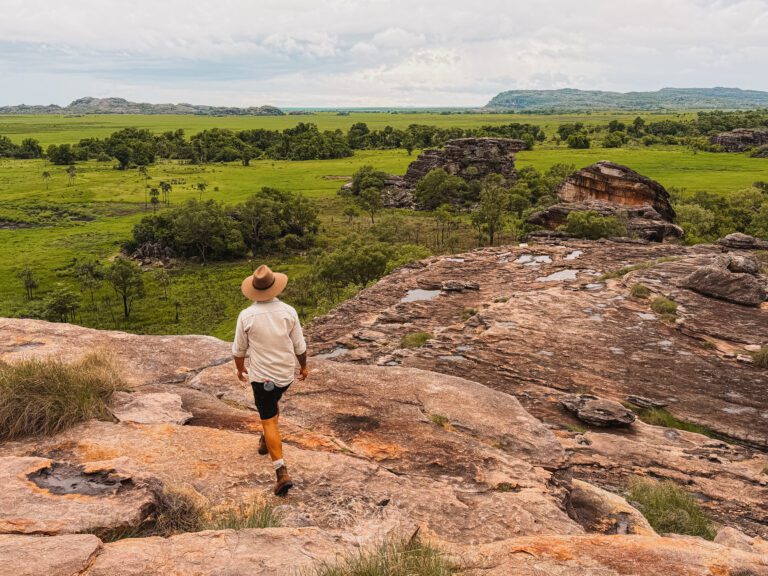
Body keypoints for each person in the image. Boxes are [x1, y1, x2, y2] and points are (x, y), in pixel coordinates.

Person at [232, 264, 308, 496]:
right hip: (285, 375)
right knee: (273, 404)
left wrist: (240, 369)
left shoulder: (246, 316)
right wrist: (303, 367)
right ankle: (266, 441)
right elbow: (299, 346)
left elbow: (239, 350)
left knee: (269, 420)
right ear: (275, 287)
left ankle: (281, 472)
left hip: (261, 376)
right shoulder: (289, 312)